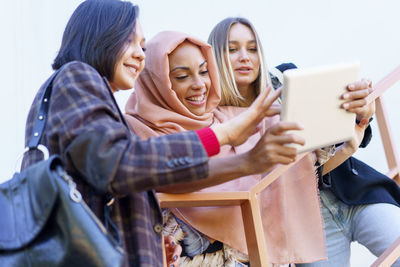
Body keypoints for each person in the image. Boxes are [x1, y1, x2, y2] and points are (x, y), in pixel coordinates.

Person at [20, 1, 306, 267]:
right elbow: (121, 163)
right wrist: (222, 136)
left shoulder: (90, 103)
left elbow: (120, 179)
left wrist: (144, 240)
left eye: (143, 47)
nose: (139, 55)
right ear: (100, 36)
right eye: (129, 41)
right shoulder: (78, 76)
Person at [209, 16, 400, 267]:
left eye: (252, 48)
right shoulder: (216, 123)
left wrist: (361, 111)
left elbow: (341, 126)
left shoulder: (286, 77)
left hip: (353, 194)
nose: (245, 56)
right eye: (232, 49)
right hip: (304, 228)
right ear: (214, 58)